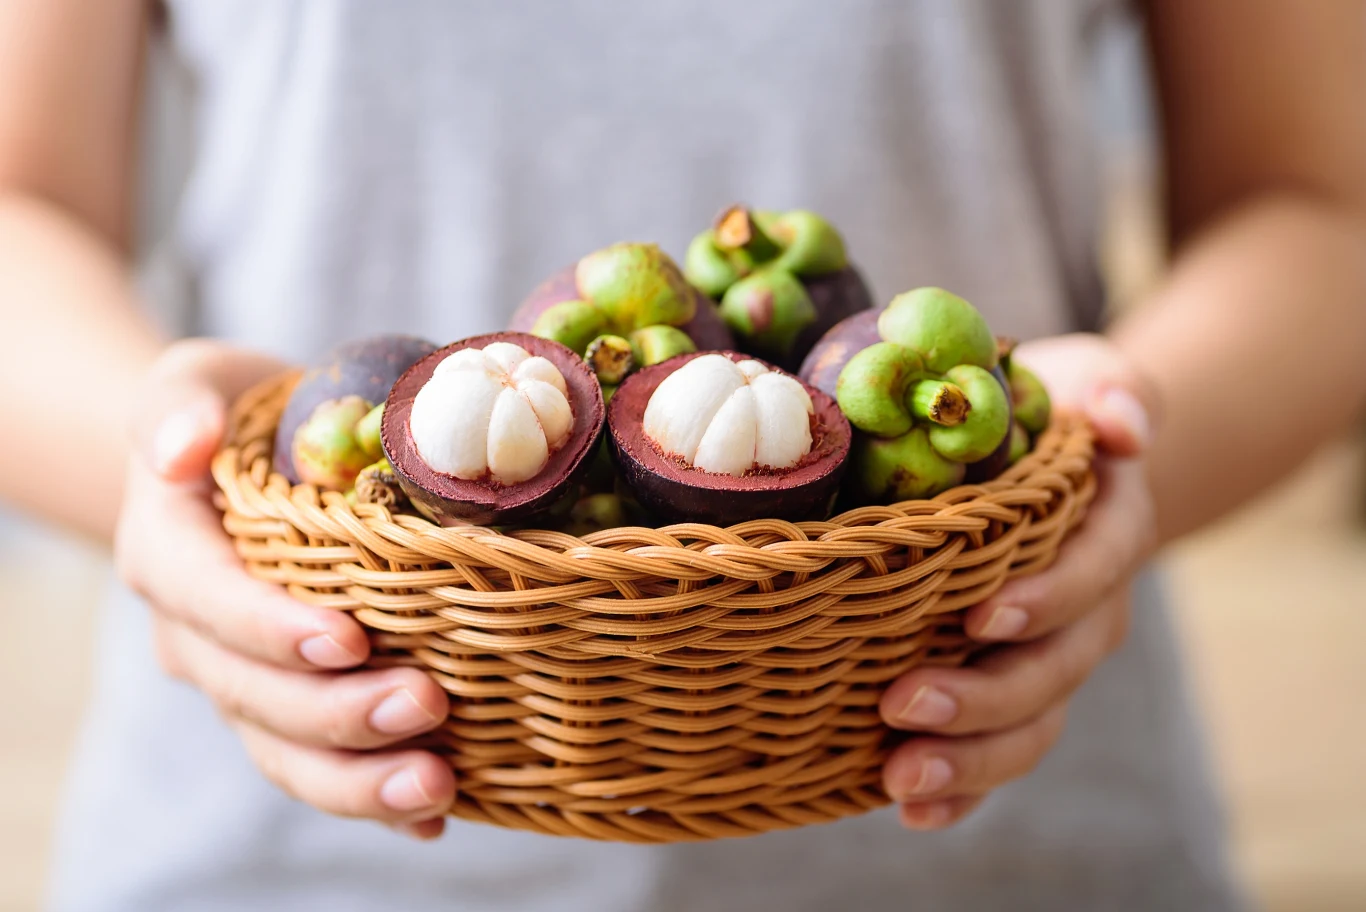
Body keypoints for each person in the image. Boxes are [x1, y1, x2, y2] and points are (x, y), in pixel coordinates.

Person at [2, 1, 1363, 910]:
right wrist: (162, 465)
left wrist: (1121, 451)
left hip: (1007, 829)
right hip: (279, 852)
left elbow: (1319, 207)